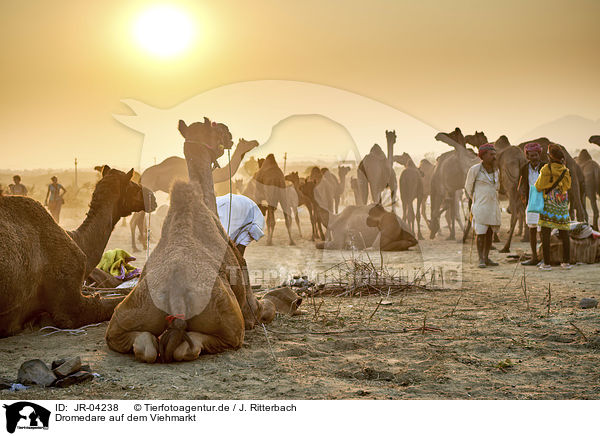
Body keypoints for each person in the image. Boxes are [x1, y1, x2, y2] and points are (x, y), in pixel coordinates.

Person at [535, 144, 572, 271]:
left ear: (550, 157)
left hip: (548, 205)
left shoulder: (546, 169)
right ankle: (566, 262)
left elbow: (539, 186)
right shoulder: (565, 171)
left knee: (545, 233)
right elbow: (567, 187)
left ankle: (546, 264)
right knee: (564, 232)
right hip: (561, 205)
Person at [464, 143, 501, 268]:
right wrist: (476, 200)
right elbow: (468, 188)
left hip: (493, 206)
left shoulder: (496, 171)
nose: (494, 157)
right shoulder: (474, 170)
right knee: (480, 233)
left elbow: (498, 187)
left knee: (490, 233)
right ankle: (481, 259)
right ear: (483, 156)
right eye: (491, 155)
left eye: (494, 154)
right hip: (480, 206)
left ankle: (486, 257)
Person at [518, 142, 544, 265]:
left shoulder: (545, 167)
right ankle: (534, 257)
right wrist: (522, 195)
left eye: (535, 155)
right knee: (532, 229)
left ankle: (544, 257)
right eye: (531, 155)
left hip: (544, 201)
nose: (534, 158)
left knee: (543, 231)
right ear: (527, 156)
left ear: (539, 154)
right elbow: (522, 184)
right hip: (531, 201)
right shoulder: (524, 168)